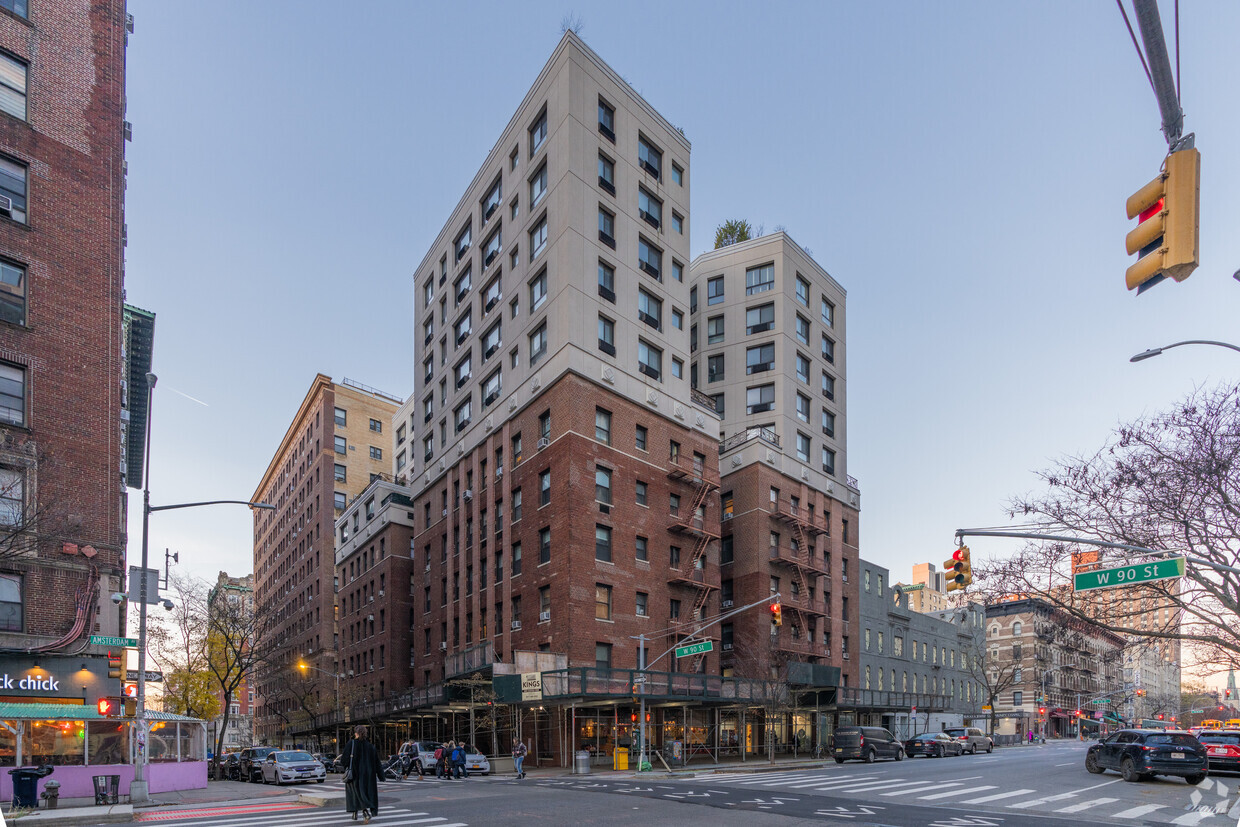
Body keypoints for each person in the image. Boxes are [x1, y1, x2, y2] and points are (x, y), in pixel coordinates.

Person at [343, 725, 382, 824]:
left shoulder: (351, 744)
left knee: (355, 792)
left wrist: (347, 766)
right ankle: (358, 812)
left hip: (355, 774)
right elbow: (377, 762)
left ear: (356, 733)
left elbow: (344, 760)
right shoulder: (370, 746)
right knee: (365, 794)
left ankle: (362, 812)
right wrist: (381, 775)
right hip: (369, 775)